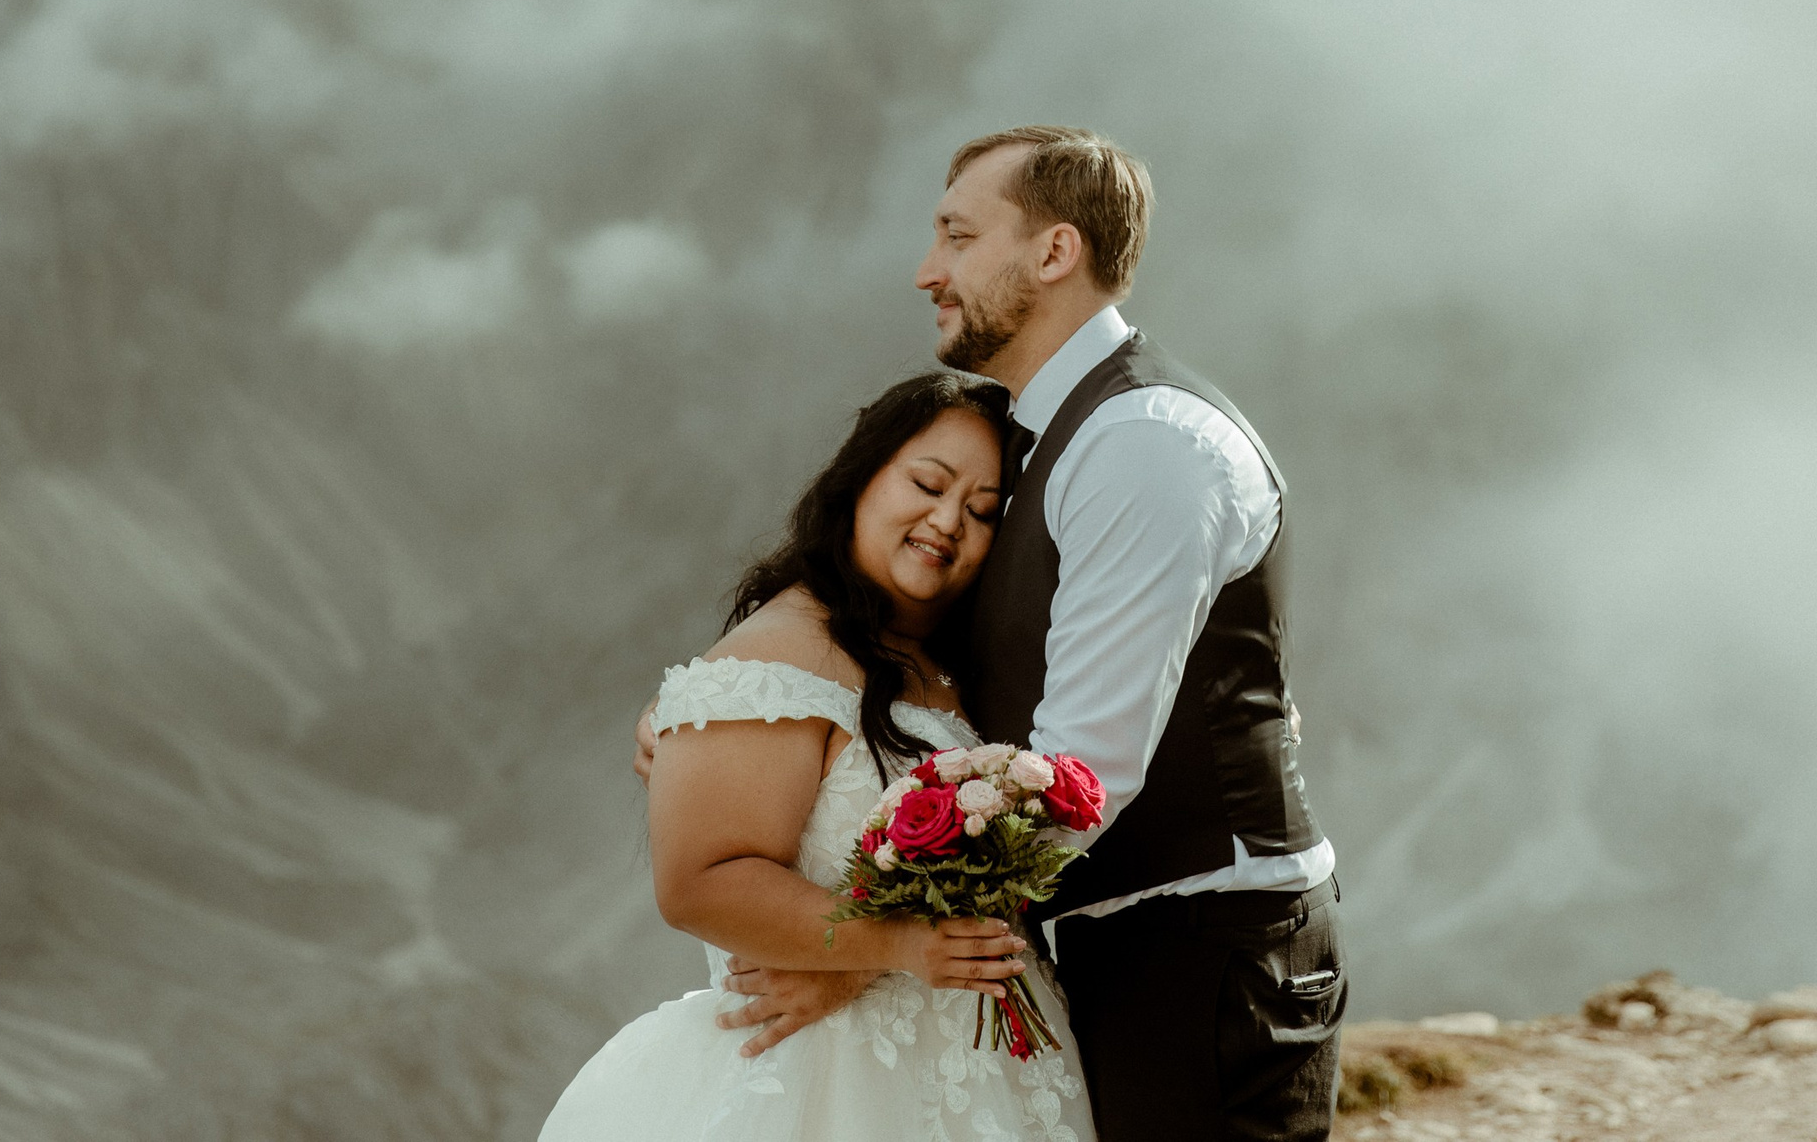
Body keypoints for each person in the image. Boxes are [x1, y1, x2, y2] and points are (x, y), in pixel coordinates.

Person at [691, 126, 1345, 1142]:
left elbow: (1082, 774)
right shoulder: (1040, 438)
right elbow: (946, 645)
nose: (927, 271)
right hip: (1126, 944)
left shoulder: (1142, 443)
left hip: (1203, 952)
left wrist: (870, 957)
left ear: (1054, 252)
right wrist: (717, 708)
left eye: (957, 236)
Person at [539, 371, 1092, 1142]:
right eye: (928, 484)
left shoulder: (952, 661)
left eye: (980, 511)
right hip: (836, 1087)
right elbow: (698, 882)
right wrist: (894, 948)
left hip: (996, 1078)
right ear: (860, 478)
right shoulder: (778, 656)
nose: (947, 521)